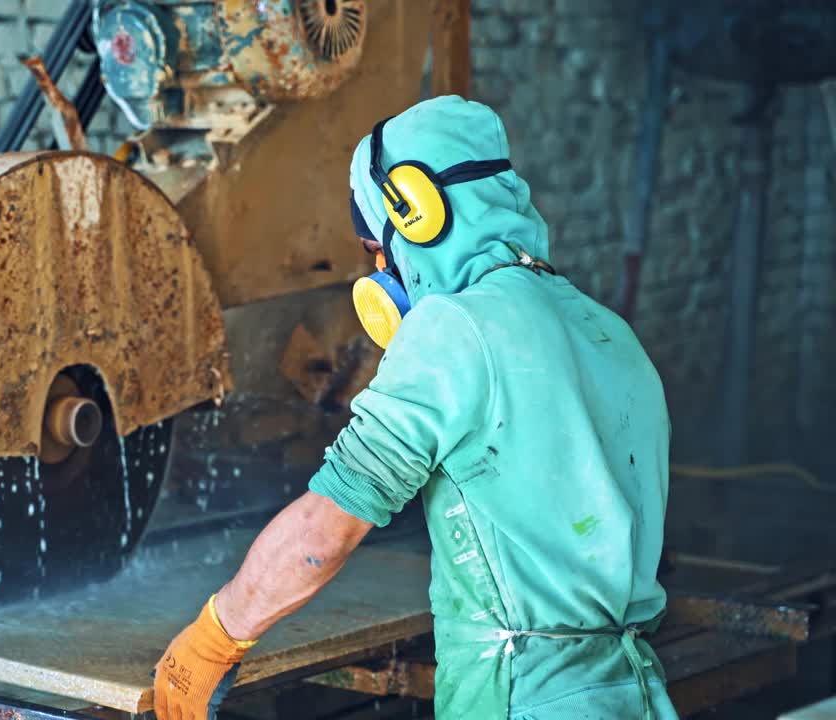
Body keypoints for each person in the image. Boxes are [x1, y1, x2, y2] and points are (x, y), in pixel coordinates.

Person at [150, 96, 678, 720]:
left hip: (520, 697)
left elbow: (327, 527)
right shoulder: (609, 331)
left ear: (418, 215)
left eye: (377, 247)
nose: (382, 269)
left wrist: (213, 640)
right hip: (634, 692)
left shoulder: (455, 326)